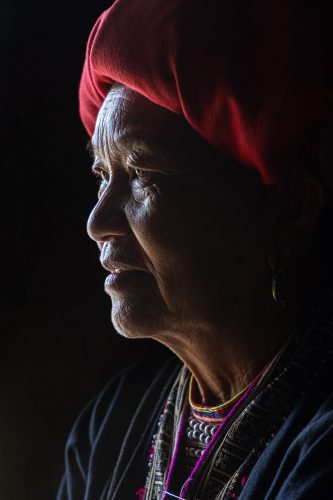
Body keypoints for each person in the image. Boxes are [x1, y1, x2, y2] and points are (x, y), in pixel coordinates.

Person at [58, 1, 333, 499]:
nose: (98, 223)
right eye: (103, 176)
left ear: (290, 208)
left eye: (145, 175)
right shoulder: (110, 426)